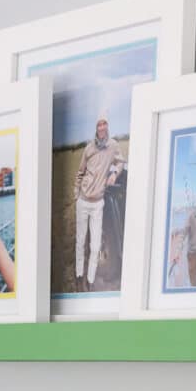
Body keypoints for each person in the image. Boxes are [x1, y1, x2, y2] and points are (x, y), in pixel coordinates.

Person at [74, 113, 125, 292]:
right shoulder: (88, 149)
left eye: (104, 124)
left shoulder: (113, 146)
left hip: (98, 202)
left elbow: (120, 162)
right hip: (83, 200)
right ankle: (79, 277)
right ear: (96, 128)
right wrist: (76, 194)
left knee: (95, 245)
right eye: (99, 125)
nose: (102, 127)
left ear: (107, 126)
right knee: (80, 242)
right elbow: (80, 173)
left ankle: (89, 279)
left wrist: (114, 173)